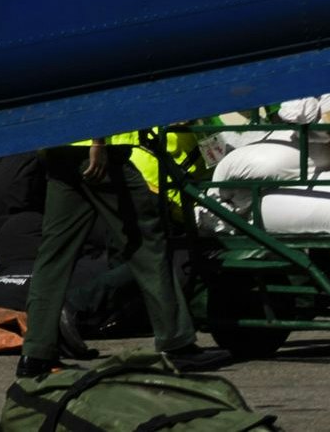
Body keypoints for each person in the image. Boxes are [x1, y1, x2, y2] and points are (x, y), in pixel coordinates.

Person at [17, 129, 227, 376]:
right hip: (98, 153)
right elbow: (94, 94)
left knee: (54, 254)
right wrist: (99, 142)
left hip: (57, 147)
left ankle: (36, 353)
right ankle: (177, 344)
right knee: (148, 244)